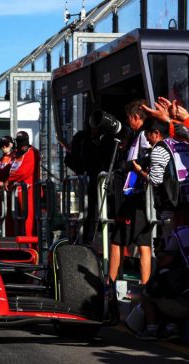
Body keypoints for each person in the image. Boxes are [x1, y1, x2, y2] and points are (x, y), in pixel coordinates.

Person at [109, 100, 153, 290]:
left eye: (129, 120)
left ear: (136, 117)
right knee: (134, 242)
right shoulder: (136, 135)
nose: (128, 124)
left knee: (119, 239)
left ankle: (112, 284)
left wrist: (130, 166)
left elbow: (148, 158)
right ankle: (143, 286)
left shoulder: (145, 135)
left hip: (137, 195)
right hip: (134, 194)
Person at [137, 206, 189, 340]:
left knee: (150, 291)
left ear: (179, 220)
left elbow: (165, 261)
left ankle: (153, 328)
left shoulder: (181, 233)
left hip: (184, 302)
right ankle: (171, 326)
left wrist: (159, 252)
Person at [0, 131, 40, 236]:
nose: (4, 147)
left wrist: (9, 180)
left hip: (28, 193)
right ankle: (14, 244)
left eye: (6, 145)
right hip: (14, 194)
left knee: (28, 223)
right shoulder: (14, 155)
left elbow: (23, 172)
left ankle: (30, 247)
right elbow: (4, 172)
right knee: (14, 223)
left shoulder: (32, 153)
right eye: (2, 145)